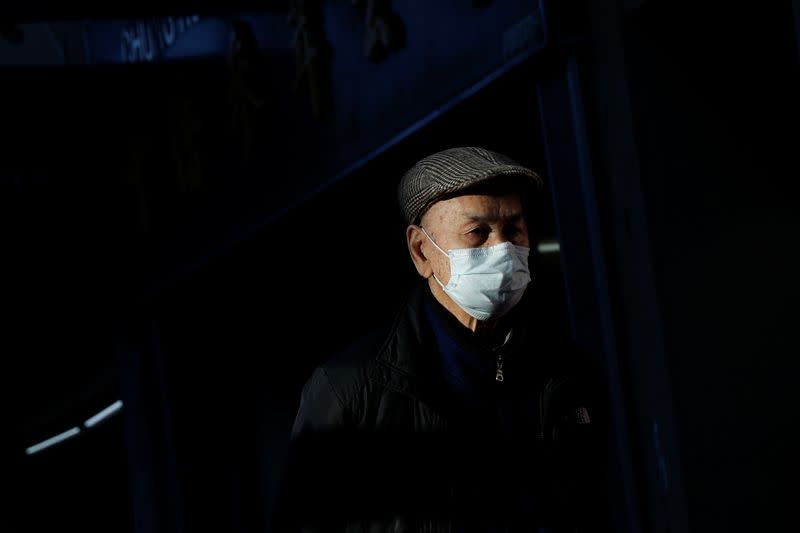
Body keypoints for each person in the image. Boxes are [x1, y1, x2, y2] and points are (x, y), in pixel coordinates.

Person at [272, 147, 609, 533]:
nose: (501, 249)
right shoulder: (353, 390)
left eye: (513, 228)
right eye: (477, 232)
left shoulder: (565, 374)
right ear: (421, 251)